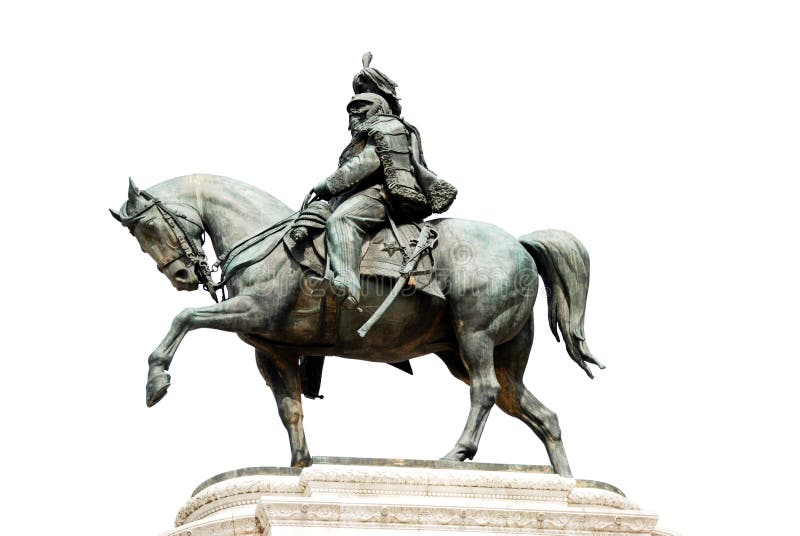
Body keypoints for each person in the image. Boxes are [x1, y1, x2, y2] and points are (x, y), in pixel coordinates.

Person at [311, 56, 457, 309]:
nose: (354, 113)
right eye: (351, 109)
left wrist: (327, 184)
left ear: (377, 107)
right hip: (355, 195)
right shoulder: (368, 132)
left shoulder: (387, 126)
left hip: (378, 196)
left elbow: (369, 163)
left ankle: (347, 284)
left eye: (360, 107)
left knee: (341, 220)